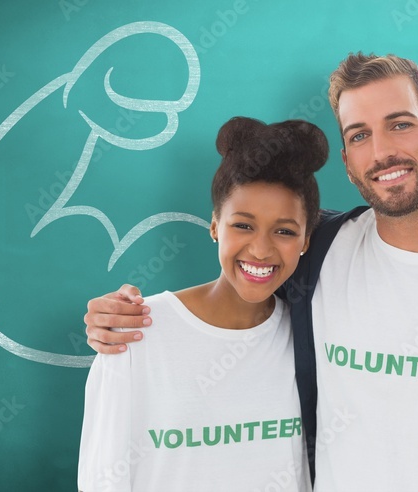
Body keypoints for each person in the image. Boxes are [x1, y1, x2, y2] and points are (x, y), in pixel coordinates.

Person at [86, 53, 418, 491]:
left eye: (400, 124)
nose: (381, 151)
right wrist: (124, 315)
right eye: (359, 135)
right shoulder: (319, 249)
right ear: (346, 161)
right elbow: (249, 267)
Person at [78, 117, 324, 491]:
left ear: (306, 240)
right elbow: (103, 479)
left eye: (285, 231)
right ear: (214, 226)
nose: (260, 249)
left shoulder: (310, 334)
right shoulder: (136, 332)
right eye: (243, 225)